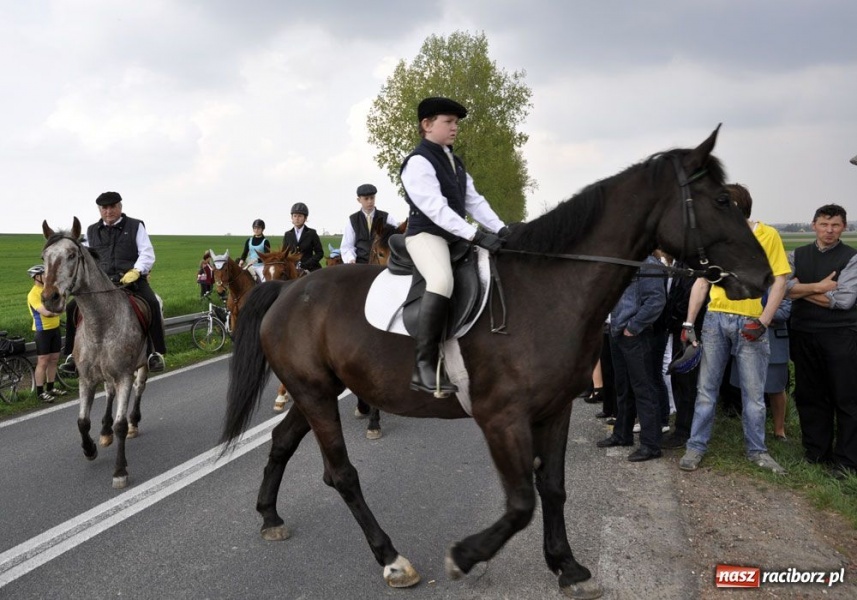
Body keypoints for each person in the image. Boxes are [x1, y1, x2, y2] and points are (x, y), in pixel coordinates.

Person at [400, 96, 508, 396]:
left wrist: (502, 230)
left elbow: (474, 201)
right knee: (441, 280)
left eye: (456, 123)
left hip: (455, 237)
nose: (454, 128)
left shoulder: (454, 162)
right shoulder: (418, 162)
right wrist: (475, 235)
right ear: (426, 124)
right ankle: (423, 367)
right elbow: (436, 208)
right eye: (448, 122)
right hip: (426, 236)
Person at [679, 183, 790, 475]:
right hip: (716, 319)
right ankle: (695, 446)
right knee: (706, 389)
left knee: (753, 394)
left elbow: (780, 281)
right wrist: (689, 323)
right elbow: (702, 281)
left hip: (751, 322)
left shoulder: (768, 235)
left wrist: (764, 320)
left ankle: (758, 451)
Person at [60, 191, 167, 374]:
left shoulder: (135, 226)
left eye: (112, 207)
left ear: (120, 207)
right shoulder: (91, 231)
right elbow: (83, 258)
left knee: (152, 303)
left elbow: (147, 253)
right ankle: (71, 354)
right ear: (100, 210)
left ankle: (155, 352)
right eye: (104, 208)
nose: (108, 211)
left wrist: (136, 270)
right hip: (102, 284)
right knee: (72, 308)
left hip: (131, 281)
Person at [786, 204, 857, 479]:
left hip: (841, 335)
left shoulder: (851, 258)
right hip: (803, 333)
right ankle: (816, 454)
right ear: (814, 224)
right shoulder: (797, 254)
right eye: (824, 224)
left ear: (844, 228)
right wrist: (818, 288)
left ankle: (847, 461)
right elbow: (778, 288)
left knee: (846, 398)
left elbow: (844, 300)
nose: (829, 230)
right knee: (809, 396)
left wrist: (798, 289)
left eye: (835, 225)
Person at [596, 254, 667, 462]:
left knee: (644, 389)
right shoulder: (624, 259)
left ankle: (651, 445)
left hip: (637, 334)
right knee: (623, 388)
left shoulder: (649, 264)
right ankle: (622, 434)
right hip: (618, 332)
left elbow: (656, 300)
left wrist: (633, 327)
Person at [730, 292, 791, 442]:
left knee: (776, 389)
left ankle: (779, 430)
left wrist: (754, 315)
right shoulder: (745, 279)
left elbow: (784, 312)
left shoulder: (780, 279)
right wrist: (766, 315)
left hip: (774, 342)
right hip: (746, 338)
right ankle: (751, 429)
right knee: (746, 388)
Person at [660, 259, 706, 449]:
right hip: (679, 328)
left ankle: (684, 431)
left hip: (692, 330)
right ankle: (682, 426)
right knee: (679, 379)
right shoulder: (681, 263)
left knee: (687, 381)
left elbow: (688, 299)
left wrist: (684, 323)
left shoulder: (697, 266)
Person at [27, 265, 67, 403]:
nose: (47, 277)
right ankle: (40, 392)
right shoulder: (33, 294)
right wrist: (60, 310)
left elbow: (61, 301)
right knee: (43, 361)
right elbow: (47, 313)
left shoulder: (48, 291)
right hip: (42, 331)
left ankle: (50, 388)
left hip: (55, 329)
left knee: (54, 359)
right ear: (37, 277)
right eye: (44, 274)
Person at [340, 184, 400, 264]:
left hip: (382, 265)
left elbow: (396, 239)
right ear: (359, 200)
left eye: (372, 198)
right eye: (366, 199)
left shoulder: (387, 217)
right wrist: (351, 260)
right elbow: (347, 246)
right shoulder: (353, 220)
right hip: (360, 265)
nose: (370, 201)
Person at [282, 203, 324, 273]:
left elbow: (319, 253)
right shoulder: (287, 234)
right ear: (291, 218)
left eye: (300, 216)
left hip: (310, 268)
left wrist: (307, 264)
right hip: (292, 269)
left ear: (305, 218)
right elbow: (284, 254)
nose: (297, 219)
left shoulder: (312, 233)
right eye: (295, 216)